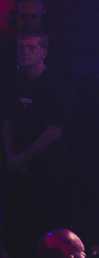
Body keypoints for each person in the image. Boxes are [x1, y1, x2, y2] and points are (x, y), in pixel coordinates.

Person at [2, 30, 75, 257]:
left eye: (31, 48)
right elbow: (7, 124)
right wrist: (12, 157)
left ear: (43, 52)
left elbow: (54, 131)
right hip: (18, 169)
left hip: (45, 171)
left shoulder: (55, 85)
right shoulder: (15, 82)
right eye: (21, 48)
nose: (24, 52)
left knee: (41, 229)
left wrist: (23, 157)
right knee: (15, 226)